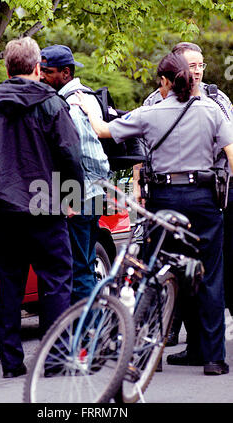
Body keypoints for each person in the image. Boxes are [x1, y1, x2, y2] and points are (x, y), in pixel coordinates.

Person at [75, 52, 233, 376]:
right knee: (211, 276)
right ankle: (214, 358)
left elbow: (103, 130)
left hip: (164, 199)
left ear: (164, 81)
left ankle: (150, 355)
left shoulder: (150, 113)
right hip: (204, 199)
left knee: (157, 275)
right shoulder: (213, 111)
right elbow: (231, 156)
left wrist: (90, 107)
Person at [0, 37, 84, 378]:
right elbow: (70, 153)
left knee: (10, 285)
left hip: (4, 208)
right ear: (37, 68)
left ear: (8, 68)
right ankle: (54, 358)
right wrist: (72, 198)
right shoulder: (52, 105)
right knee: (56, 282)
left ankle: (11, 362)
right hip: (45, 205)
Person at [143, 41, 233, 359]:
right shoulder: (156, 99)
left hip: (213, 193)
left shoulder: (216, 100)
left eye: (200, 66)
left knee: (207, 272)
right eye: (190, 66)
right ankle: (188, 347)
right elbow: (143, 149)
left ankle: (202, 348)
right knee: (175, 272)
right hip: (172, 194)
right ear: (175, 68)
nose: (196, 72)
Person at [40, 45, 110, 305]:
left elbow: (88, 153)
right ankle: (93, 329)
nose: (42, 76)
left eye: (48, 71)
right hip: (88, 192)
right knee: (85, 264)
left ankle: (89, 334)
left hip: (80, 195)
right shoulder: (78, 97)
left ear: (66, 73)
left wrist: (84, 189)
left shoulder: (73, 102)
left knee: (79, 268)